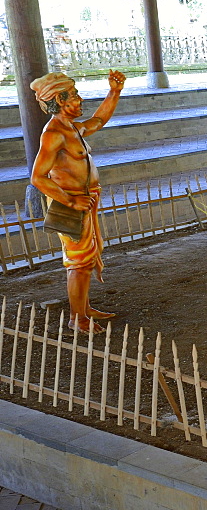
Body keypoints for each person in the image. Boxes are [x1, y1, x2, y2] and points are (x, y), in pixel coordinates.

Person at [29, 70, 126, 334]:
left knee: (87, 259)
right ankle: (77, 318)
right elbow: (38, 177)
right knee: (79, 263)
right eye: (73, 95)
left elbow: (99, 120)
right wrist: (70, 201)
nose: (80, 99)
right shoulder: (53, 133)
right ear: (60, 100)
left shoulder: (71, 127)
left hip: (84, 201)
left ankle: (83, 309)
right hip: (70, 204)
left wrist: (114, 92)